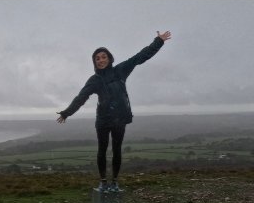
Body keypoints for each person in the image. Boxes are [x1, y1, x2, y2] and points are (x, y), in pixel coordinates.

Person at [56, 30, 172, 192]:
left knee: (117, 150)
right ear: (94, 62)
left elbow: (140, 57)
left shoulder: (120, 70)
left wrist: (158, 41)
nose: (101, 60)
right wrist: (66, 112)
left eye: (103, 57)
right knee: (102, 150)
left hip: (119, 119)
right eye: (97, 58)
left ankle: (115, 182)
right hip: (103, 120)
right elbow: (81, 98)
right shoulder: (94, 80)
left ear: (109, 58)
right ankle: (103, 182)